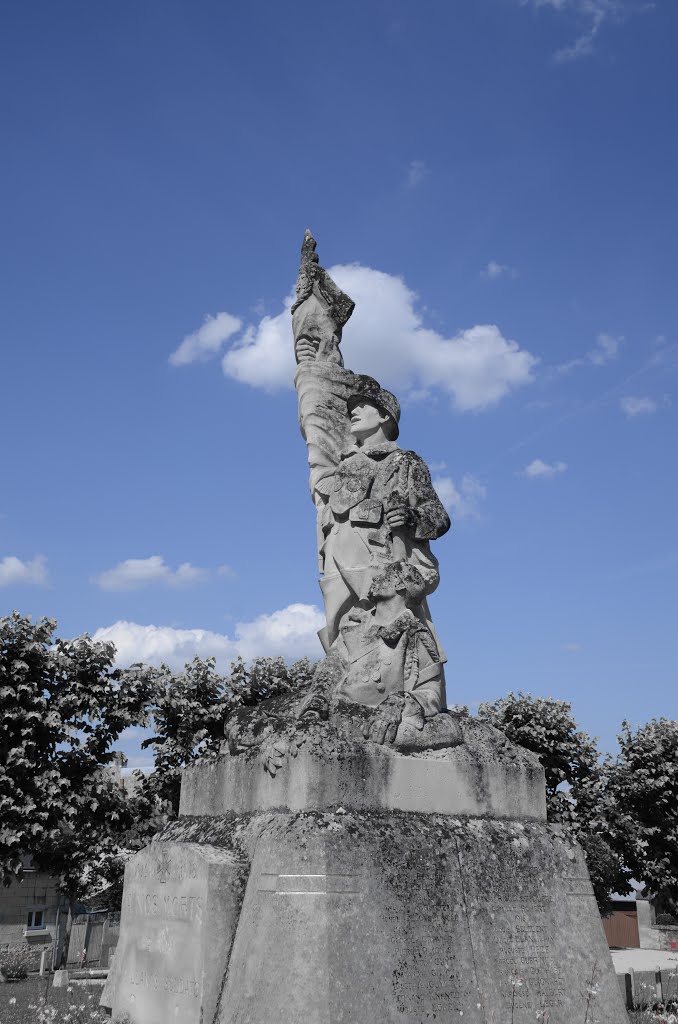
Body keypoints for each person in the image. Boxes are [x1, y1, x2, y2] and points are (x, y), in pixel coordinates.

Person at [309, 373, 450, 652]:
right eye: (352, 408)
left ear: (385, 416)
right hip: (337, 568)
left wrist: (412, 519)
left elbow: (438, 516)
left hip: (378, 565)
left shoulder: (404, 461)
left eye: (364, 406)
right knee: (340, 645)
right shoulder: (342, 467)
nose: (354, 412)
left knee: (390, 643)